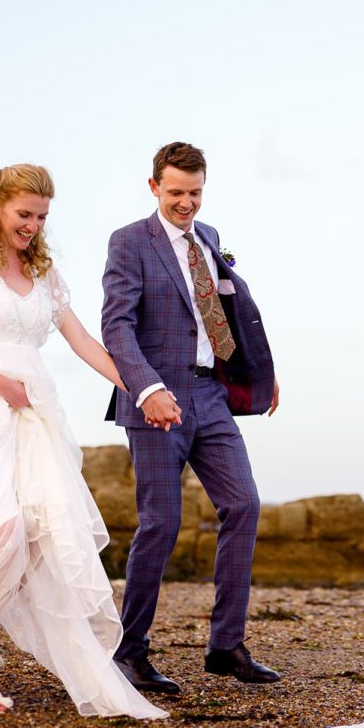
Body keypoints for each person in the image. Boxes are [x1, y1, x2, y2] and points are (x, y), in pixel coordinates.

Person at [0, 163, 167, 719]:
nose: (32, 226)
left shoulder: (45, 275)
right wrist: (0, 383)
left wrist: (144, 386)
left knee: (37, 530)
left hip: (34, 413)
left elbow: (82, 341)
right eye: (23, 214)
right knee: (2, 526)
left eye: (41, 217)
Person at [102, 141, 281, 695]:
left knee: (244, 504)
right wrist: (147, 388)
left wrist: (259, 373)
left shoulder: (209, 237)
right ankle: (130, 653)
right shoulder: (130, 242)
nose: (187, 204)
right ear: (153, 187)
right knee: (162, 524)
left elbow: (223, 313)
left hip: (211, 397)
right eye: (176, 192)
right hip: (156, 400)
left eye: (195, 193)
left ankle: (226, 646)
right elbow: (116, 327)